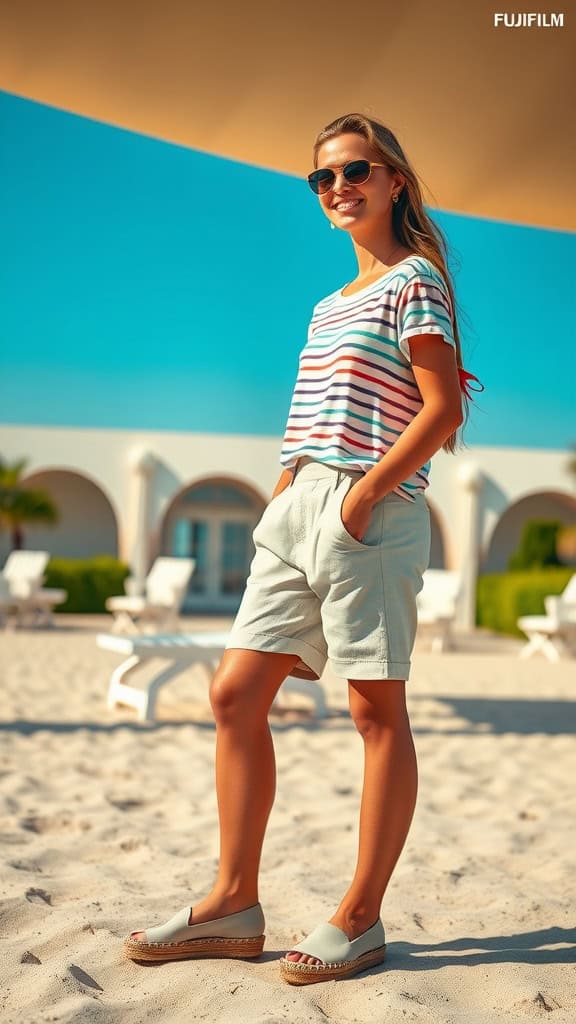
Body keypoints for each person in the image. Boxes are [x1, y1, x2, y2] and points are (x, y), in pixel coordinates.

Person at [124, 112, 481, 985]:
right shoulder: (326, 306)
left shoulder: (416, 281)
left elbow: (443, 410)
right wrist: (286, 498)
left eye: (354, 170)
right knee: (235, 692)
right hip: (297, 508)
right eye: (320, 178)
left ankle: (360, 917)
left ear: (395, 178)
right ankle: (233, 902)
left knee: (374, 711)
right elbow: (306, 422)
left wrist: (361, 496)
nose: (337, 188)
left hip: (371, 502)